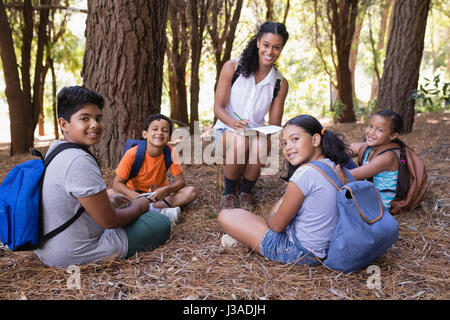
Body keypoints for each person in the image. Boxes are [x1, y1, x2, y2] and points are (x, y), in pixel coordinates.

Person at [35, 86, 171, 268]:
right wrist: (139, 206)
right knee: (160, 222)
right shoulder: (78, 160)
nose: (95, 124)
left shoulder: (55, 151)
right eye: (85, 118)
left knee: (116, 200)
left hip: (48, 247)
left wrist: (111, 203)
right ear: (64, 124)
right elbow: (110, 221)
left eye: (98, 118)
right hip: (74, 253)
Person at [218, 115, 351, 265]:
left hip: (297, 252)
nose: (288, 147)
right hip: (327, 248)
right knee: (244, 216)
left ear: (315, 140)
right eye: (284, 143)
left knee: (226, 215)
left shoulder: (304, 174)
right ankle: (243, 237)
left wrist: (273, 214)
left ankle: (243, 238)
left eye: (295, 139)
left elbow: (276, 226)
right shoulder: (333, 166)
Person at [213, 21, 290, 210]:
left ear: (281, 49)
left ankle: (245, 192)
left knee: (261, 142)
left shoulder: (280, 82)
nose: (270, 52)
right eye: (266, 45)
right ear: (257, 42)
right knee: (241, 140)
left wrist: (262, 132)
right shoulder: (233, 68)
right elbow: (218, 107)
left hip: (256, 134)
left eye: (276, 47)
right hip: (226, 130)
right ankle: (229, 193)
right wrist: (235, 123)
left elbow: (274, 123)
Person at [113, 114, 196, 218]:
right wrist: (137, 197)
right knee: (109, 194)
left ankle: (146, 209)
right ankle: (157, 210)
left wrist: (167, 190)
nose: (159, 133)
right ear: (145, 134)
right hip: (133, 194)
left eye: (165, 130)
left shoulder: (171, 152)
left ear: (169, 137)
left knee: (190, 192)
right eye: (155, 129)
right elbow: (117, 184)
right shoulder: (133, 153)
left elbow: (181, 182)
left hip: (157, 196)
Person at [348, 110, 404, 210]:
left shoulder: (387, 157)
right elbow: (339, 153)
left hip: (377, 206)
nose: (371, 132)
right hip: (367, 193)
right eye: (370, 126)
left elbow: (349, 175)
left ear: (393, 136)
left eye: (380, 130)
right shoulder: (366, 148)